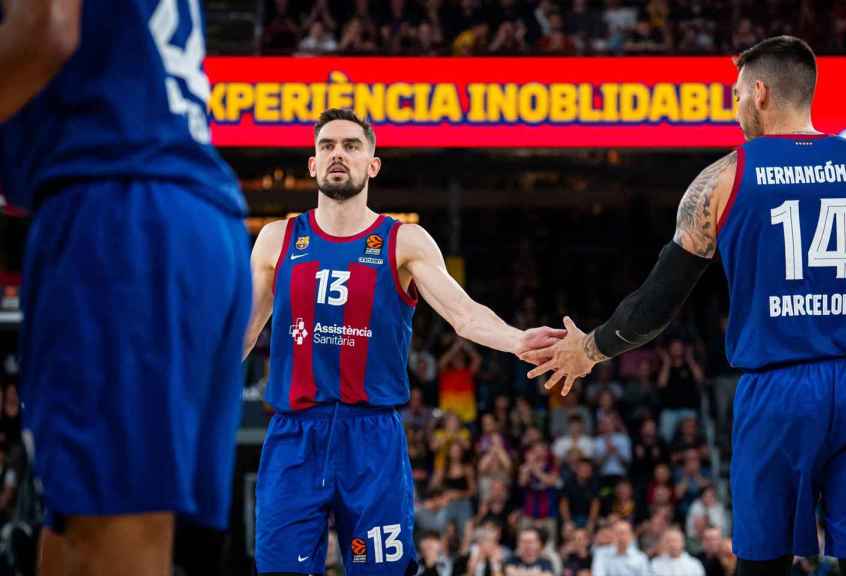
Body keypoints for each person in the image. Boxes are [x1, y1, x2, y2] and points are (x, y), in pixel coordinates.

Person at [523, 35, 846, 576]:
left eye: (735, 96)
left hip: (778, 391)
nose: (735, 109)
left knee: (762, 565)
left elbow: (656, 304)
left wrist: (590, 349)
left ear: (759, 93)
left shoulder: (721, 180)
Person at [244, 108, 564, 575]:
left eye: (351, 146)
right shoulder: (277, 239)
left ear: (373, 164)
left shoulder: (404, 240)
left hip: (371, 437)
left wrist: (518, 340)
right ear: (312, 164)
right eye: (327, 146)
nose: (338, 154)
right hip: (295, 435)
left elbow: (463, 314)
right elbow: (243, 333)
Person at [1, 1, 252, 574]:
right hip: (182, 214)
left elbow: (47, 28)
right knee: (78, 526)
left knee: (116, 532)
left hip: (121, 216)